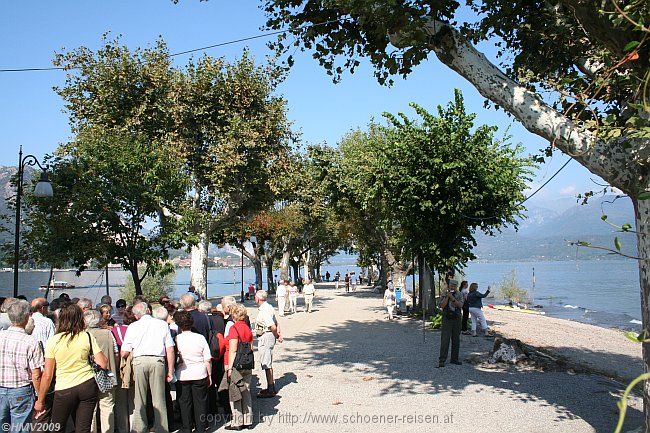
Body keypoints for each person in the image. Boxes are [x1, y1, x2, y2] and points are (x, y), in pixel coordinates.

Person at [36, 303, 109, 433]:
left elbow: (48, 375)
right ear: (80, 319)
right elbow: (103, 363)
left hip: (64, 387)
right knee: (83, 428)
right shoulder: (86, 336)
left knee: (57, 427)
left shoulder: (54, 341)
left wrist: (40, 400)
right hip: (87, 385)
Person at [120, 302, 175, 433]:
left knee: (140, 398)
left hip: (139, 361)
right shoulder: (162, 324)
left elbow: (124, 352)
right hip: (157, 360)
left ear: (136, 315)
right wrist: (170, 371)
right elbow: (170, 349)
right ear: (149, 311)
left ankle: (140, 428)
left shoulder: (133, 327)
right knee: (159, 398)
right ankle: (162, 428)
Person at [0, 299, 44, 432]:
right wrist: (40, 399)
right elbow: (36, 374)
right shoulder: (31, 342)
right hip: (21, 390)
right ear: (26, 317)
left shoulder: (0, 335)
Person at [174, 310, 211, 433]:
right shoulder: (200, 338)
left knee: (185, 403)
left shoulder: (176, 339)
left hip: (183, 374)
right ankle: (201, 427)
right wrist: (209, 374)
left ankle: (187, 427)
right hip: (199, 372)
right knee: (200, 402)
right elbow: (207, 358)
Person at [84, 310, 118, 433]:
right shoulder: (108, 334)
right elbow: (116, 353)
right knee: (107, 407)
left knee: (90, 409)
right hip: (107, 374)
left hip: (88, 376)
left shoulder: (83, 335)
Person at [223, 304, 254, 430]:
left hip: (237, 364)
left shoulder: (234, 328)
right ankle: (248, 420)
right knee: (246, 391)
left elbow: (233, 350)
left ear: (234, 315)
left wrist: (229, 368)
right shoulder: (247, 328)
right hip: (247, 363)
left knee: (235, 392)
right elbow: (251, 347)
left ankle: (237, 421)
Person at [254, 291, 283, 398]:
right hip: (268, 335)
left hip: (266, 336)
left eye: (255, 297)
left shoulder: (264, 310)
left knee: (266, 363)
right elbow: (276, 322)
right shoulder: (269, 307)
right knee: (267, 361)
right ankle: (270, 386)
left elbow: (273, 326)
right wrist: (278, 334)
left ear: (258, 299)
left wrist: (276, 334)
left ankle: (271, 389)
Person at [438, 280, 464, 368]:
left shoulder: (459, 294)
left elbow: (460, 305)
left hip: (456, 318)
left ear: (456, 286)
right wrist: (447, 297)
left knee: (456, 339)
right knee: (445, 339)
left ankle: (454, 359)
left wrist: (452, 298)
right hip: (446, 318)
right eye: (451, 285)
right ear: (448, 286)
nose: (452, 287)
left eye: (454, 286)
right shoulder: (444, 293)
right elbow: (441, 305)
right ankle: (442, 360)